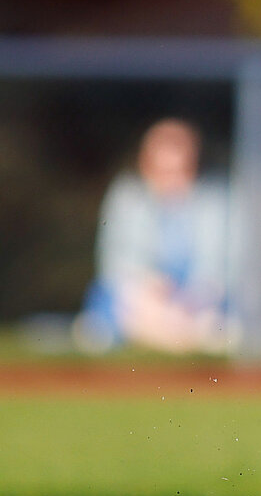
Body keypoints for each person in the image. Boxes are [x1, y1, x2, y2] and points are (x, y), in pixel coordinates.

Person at [75, 119, 230, 354]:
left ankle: (162, 334)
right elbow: (117, 257)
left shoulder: (216, 199)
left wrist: (192, 298)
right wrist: (149, 285)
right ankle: (178, 337)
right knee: (122, 302)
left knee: (209, 316)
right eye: (164, 171)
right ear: (146, 165)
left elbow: (220, 265)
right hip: (146, 299)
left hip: (194, 301)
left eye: (181, 170)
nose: (172, 180)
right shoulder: (128, 197)